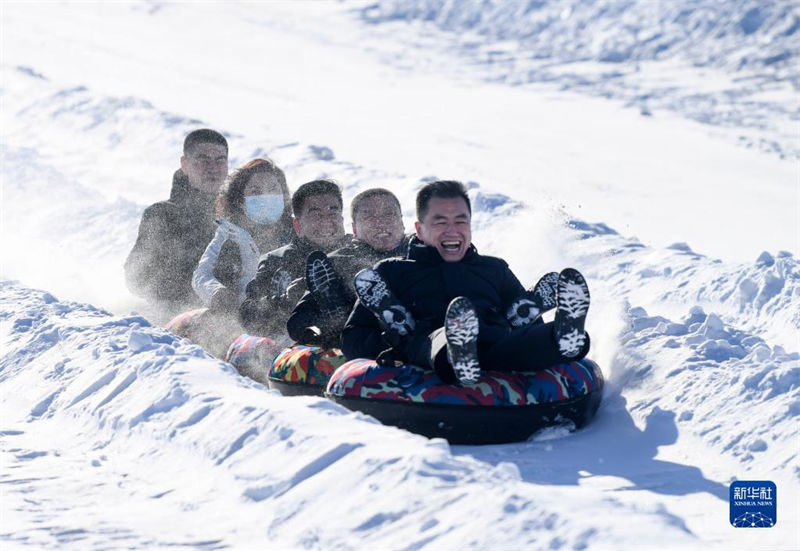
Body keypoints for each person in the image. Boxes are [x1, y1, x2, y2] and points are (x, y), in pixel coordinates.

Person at [341, 180, 591, 384]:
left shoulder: (494, 269)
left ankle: (564, 334)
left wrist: (527, 325)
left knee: (525, 341)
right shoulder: (391, 272)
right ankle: (456, 353)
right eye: (441, 222)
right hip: (427, 342)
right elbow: (353, 339)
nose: (452, 230)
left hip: (493, 340)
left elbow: (530, 328)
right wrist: (394, 337)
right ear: (419, 229)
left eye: (460, 222)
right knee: (443, 340)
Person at [125, 129, 229, 317]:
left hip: (237, 313)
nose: (212, 168)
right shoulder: (162, 215)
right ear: (185, 164)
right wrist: (184, 289)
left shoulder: (239, 214)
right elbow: (136, 277)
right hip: (181, 317)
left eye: (220, 160)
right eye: (203, 159)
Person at [286, 188, 409, 348]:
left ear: (402, 222)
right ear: (355, 229)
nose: (380, 222)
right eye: (368, 216)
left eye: (389, 214)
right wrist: (325, 326)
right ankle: (340, 322)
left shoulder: (419, 254)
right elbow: (298, 322)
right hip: (361, 342)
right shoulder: (335, 263)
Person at [239, 179, 351, 336]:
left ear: (342, 219)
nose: (326, 221)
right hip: (301, 342)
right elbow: (248, 315)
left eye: (333, 212)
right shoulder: (277, 261)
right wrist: (281, 301)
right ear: (298, 225)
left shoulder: (358, 252)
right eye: (316, 214)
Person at [192, 158, 293, 312]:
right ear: (241, 201)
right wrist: (216, 292)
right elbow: (202, 275)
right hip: (242, 318)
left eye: (273, 189)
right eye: (256, 192)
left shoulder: (298, 231)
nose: (266, 196)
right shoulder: (230, 233)